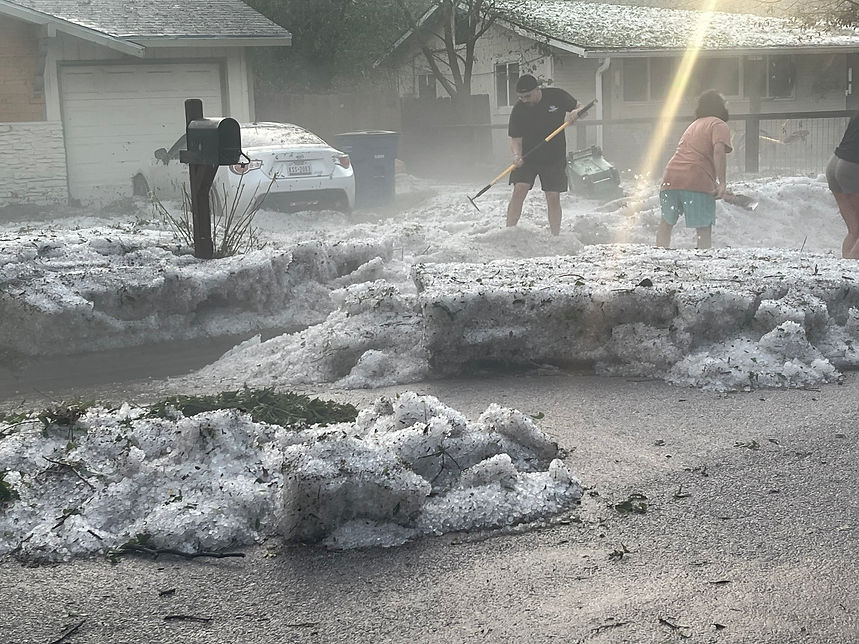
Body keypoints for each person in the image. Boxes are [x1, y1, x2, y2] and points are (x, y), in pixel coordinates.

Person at [507, 74, 587, 236]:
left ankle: (555, 235)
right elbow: (515, 138)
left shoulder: (556, 96)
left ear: (537, 89)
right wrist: (517, 155)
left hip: (553, 156)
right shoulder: (519, 109)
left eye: (527, 96)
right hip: (527, 156)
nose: (524, 100)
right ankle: (509, 231)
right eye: (521, 97)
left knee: (552, 196)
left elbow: (582, 109)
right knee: (519, 189)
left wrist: (576, 112)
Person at [657, 90, 732, 249]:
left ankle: (659, 254)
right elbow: (718, 151)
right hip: (696, 179)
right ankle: (703, 259)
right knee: (703, 227)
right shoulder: (718, 124)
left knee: (666, 223)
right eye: (725, 102)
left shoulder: (693, 125)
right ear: (719, 106)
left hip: (670, 179)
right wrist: (722, 182)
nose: (728, 105)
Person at [826, 111, 859, 259]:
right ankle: (853, 267)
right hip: (852, 166)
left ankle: (844, 267)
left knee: (855, 231)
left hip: (834, 164)